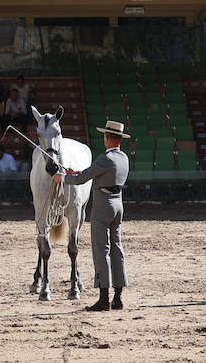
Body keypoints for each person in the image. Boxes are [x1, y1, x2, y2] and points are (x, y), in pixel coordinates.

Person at [59, 120, 130, 312]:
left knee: (101, 251)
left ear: (107, 138)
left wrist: (63, 177)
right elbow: (96, 174)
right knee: (117, 249)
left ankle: (103, 299)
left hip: (103, 206)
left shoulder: (104, 158)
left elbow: (82, 180)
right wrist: (77, 173)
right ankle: (118, 297)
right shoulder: (123, 158)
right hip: (118, 205)